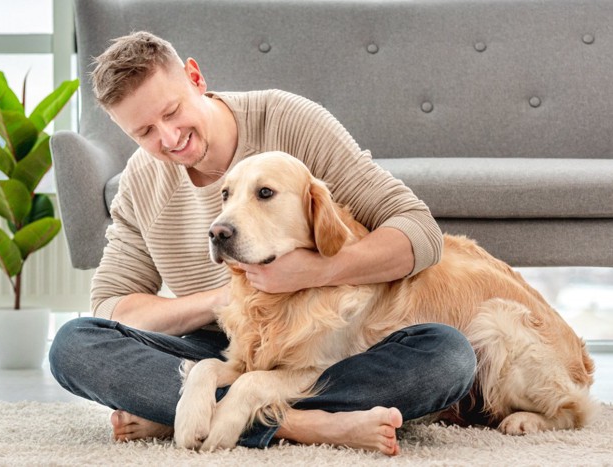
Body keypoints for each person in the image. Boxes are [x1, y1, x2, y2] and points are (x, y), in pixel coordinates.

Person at [49, 31, 476, 456]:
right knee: (74, 345)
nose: (170, 137)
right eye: (144, 131)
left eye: (173, 111)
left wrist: (316, 271)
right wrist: (227, 298)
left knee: (448, 355)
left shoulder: (290, 122)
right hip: (222, 347)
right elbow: (111, 307)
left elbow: (420, 232)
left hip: (324, 349)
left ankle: (185, 411)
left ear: (195, 78)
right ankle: (304, 424)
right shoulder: (142, 181)